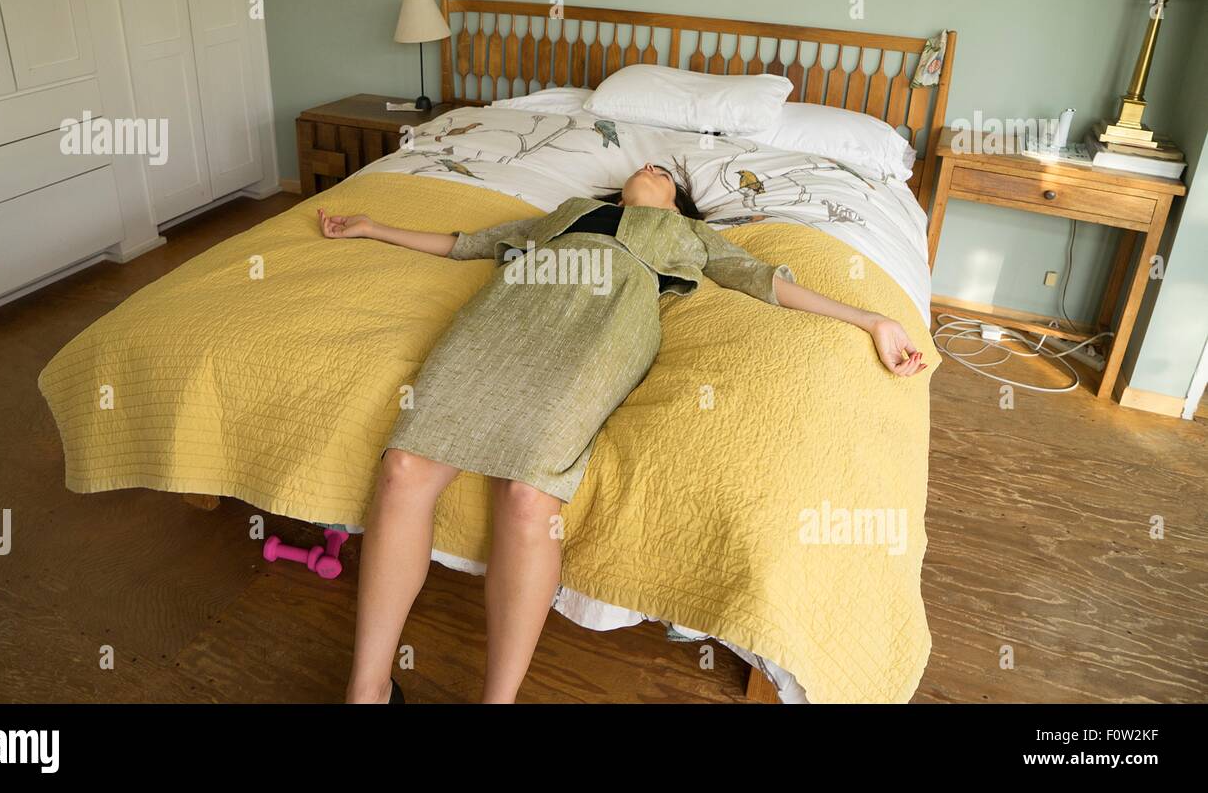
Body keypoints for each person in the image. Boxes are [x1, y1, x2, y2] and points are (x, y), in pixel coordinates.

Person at [318, 163, 926, 703]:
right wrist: (372, 227)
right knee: (403, 468)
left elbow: (762, 279)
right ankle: (367, 689)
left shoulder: (690, 236)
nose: (651, 168)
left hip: (602, 329)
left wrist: (872, 319)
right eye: (646, 164)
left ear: (678, 204)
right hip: (506, 314)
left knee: (529, 496)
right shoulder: (570, 213)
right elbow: (471, 244)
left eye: (666, 173)